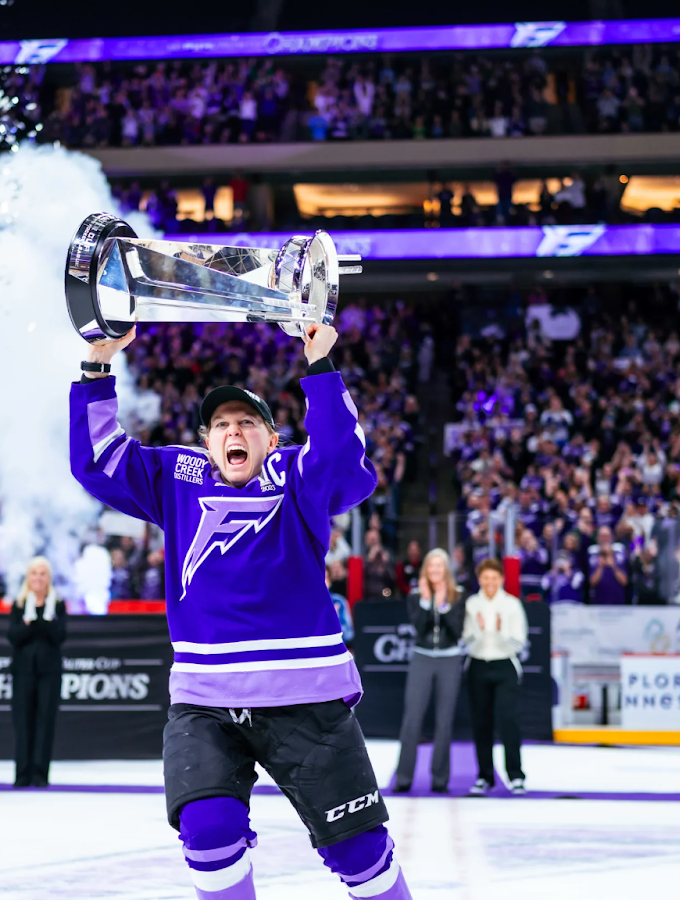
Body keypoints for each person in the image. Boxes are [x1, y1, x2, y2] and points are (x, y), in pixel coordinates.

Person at [71, 322, 410, 900]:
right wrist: (97, 368)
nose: (234, 431)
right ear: (206, 443)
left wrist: (320, 365)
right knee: (207, 833)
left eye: (248, 423)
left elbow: (346, 464)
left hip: (304, 697)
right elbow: (99, 462)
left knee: (360, 852)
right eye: (222, 425)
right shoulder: (178, 478)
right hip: (207, 702)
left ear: (270, 440)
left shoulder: (295, 476)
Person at [393, 548, 466, 794]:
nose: (435, 570)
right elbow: (420, 629)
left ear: (446, 569)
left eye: (440, 566)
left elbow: (457, 631)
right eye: (431, 566)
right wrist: (426, 602)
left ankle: (440, 779)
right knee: (412, 718)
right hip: (422, 658)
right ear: (425, 570)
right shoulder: (416, 596)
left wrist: (443, 605)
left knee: (444, 721)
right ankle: (404, 777)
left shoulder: (458, 595)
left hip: (449, 659)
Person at [464, 558, 528, 796]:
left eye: (494, 578)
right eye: (485, 578)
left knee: (508, 721)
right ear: (479, 580)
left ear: (501, 579)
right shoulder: (471, 604)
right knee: (481, 723)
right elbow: (466, 641)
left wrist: (500, 630)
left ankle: (516, 775)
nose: (489, 582)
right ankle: (484, 776)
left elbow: (519, 642)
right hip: (478, 666)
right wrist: (480, 629)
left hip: (504, 666)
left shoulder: (512, 605)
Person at [9, 555, 66, 789]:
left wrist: (47, 618)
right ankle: (22, 773)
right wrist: (27, 620)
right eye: (34, 573)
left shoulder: (58, 604)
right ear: (28, 577)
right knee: (23, 722)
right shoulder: (19, 604)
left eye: (43, 573)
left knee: (45, 721)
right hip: (23, 672)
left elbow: (59, 637)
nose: (38, 577)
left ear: (48, 578)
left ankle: (41, 774)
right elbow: (13, 637)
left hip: (49, 672)